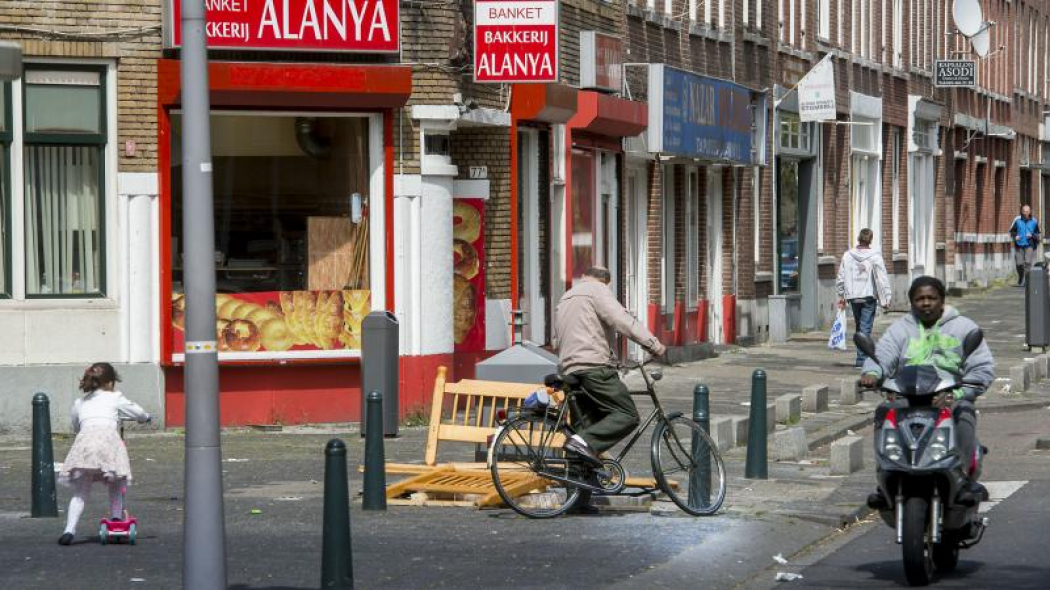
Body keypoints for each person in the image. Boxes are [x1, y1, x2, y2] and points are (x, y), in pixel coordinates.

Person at [860, 276, 995, 508]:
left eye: (931, 298)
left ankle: (963, 481)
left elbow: (982, 368)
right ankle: (887, 476)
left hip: (948, 395)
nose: (926, 303)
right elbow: (882, 356)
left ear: (942, 301)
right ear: (912, 302)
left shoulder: (964, 327)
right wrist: (872, 373)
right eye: (919, 299)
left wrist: (959, 394)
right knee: (884, 412)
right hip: (907, 395)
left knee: (963, 413)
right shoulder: (901, 328)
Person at [552, 266, 667, 466]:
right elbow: (621, 320)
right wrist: (654, 345)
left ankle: (580, 489)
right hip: (594, 367)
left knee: (586, 428)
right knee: (627, 415)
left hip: (569, 370)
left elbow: (555, 340)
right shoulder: (598, 290)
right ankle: (581, 442)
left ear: (584, 276)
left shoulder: (566, 297)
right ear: (607, 282)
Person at [57, 363, 152, 545]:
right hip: (108, 445)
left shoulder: (80, 403)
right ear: (110, 382)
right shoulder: (115, 397)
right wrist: (146, 417)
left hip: (85, 446)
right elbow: (137, 412)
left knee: (80, 492)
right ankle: (116, 519)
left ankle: (69, 530)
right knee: (115, 483)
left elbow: (76, 425)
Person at [836, 228, 893, 367]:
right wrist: (886, 299)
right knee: (865, 328)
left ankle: (861, 357)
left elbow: (841, 277)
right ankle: (861, 360)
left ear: (858, 238)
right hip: (868, 296)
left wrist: (841, 294)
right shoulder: (875, 256)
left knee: (860, 327)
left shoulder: (847, 255)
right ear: (870, 240)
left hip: (853, 297)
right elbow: (882, 278)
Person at [1009, 204, 1040, 286]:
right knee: (1019, 263)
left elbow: (1037, 234)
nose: (1025, 213)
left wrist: (1032, 235)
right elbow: (1011, 231)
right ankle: (1021, 276)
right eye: (1024, 211)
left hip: (1029, 244)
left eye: (1027, 211)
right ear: (1021, 211)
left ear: (1030, 212)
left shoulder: (1034, 221)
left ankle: (1026, 280)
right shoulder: (1017, 220)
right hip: (1019, 244)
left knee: (1027, 262)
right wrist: (1015, 236)